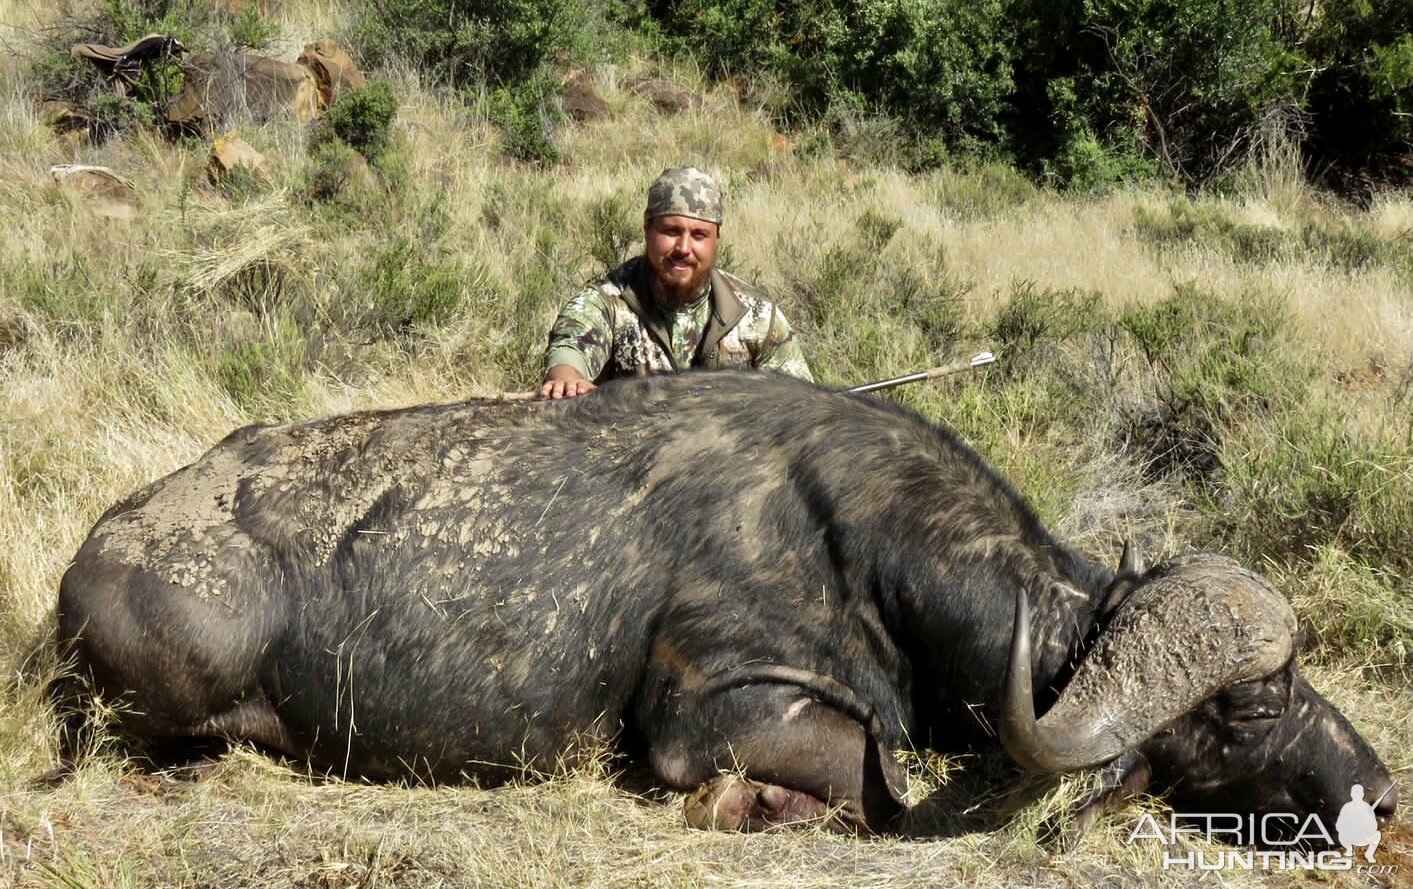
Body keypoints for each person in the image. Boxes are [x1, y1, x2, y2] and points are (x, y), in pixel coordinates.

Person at [540, 166, 813, 399]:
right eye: (671, 231)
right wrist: (567, 379)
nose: (683, 247)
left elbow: (801, 403)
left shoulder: (758, 316)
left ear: (716, 239)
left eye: (699, 235)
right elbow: (571, 347)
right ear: (647, 228)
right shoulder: (607, 301)